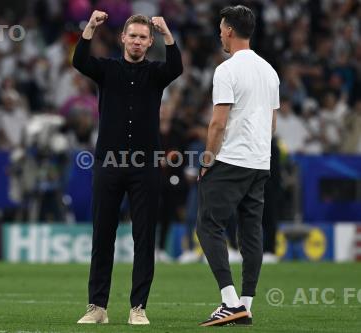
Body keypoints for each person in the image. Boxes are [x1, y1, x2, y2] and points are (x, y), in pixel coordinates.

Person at [73, 11, 182, 325]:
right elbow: (80, 61)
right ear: (122, 38)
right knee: (102, 235)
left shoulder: (156, 73)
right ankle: (97, 307)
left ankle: (138, 307)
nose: (136, 41)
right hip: (109, 163)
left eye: (143, 37)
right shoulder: (107, 69)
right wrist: (91, 27)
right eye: (132, 35)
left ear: (149, 43)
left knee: (144, 237)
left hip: (145, 166)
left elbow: (177, 66)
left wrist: (167, 33)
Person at [196, 5, 279, 327]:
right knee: (251, 233)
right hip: (261, 162)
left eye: (221, 28)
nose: (219, 33)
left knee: (208, 225)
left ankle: (229, 301)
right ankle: (246, 305)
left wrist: (207, 159)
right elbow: (271, 123)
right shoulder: (269, 71)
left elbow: (217, 124)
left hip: (231, 160)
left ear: (229, 30)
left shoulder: (227, 70)